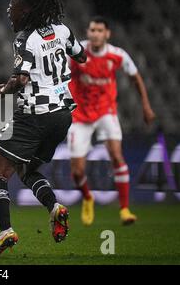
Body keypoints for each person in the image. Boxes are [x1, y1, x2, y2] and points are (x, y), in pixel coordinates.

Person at [0, 0, 86, 258]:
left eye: (12, 8)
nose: (8, 12)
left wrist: (2, 90)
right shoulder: (62, 30)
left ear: (26, 12)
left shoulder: (24, 38)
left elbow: (21, 79)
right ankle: (55, 208)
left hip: (34, 115)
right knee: (27, 171)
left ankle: (6, 231)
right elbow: (82, 55)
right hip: (62, 115)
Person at [67, 16, 155, 226]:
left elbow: (136, 77)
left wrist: (146, 106)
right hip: (80, 115)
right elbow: (62, 77)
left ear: (107, 34)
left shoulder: (117, 55)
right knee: (77, 171)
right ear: (88, 33)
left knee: (116, 155)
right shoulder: (77, 53)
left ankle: (124, 209)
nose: (95, 34)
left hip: (106, 111)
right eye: (92, 30)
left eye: (99, 30)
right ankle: (88, 197)